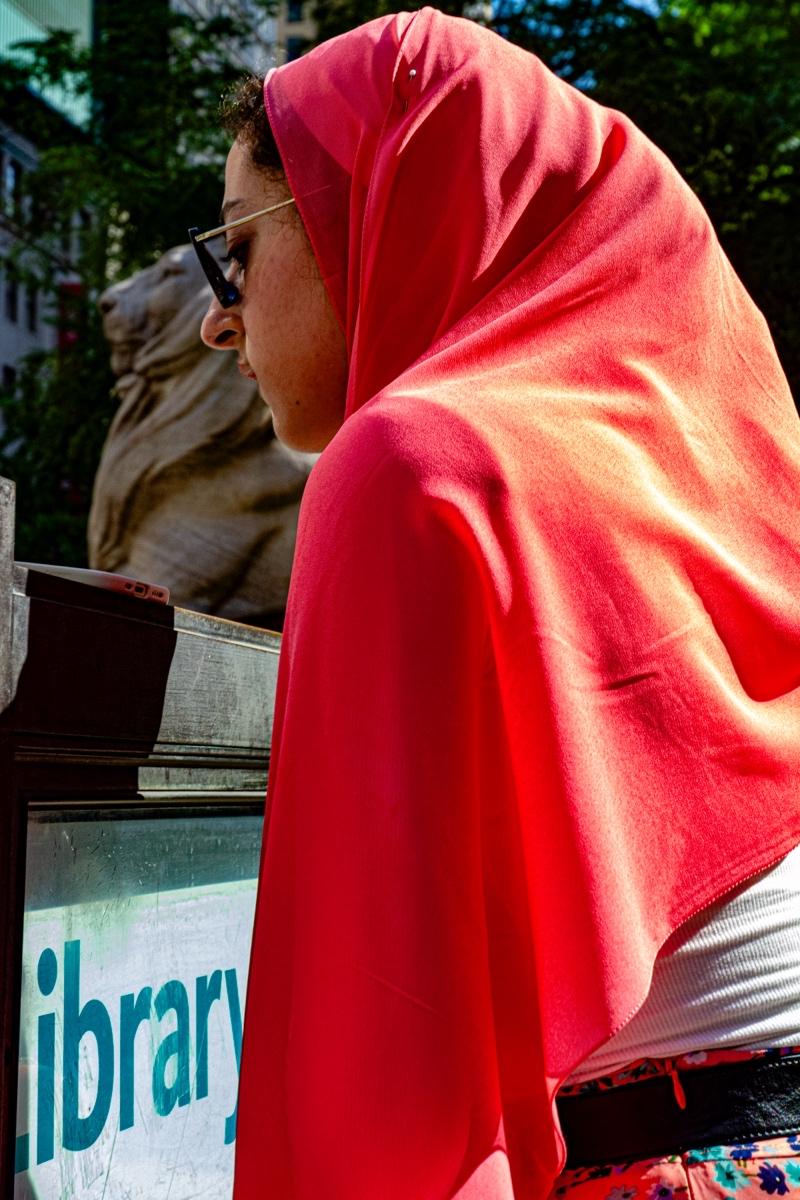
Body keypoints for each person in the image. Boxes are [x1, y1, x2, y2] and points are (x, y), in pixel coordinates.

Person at [194, 9, 800, 1199]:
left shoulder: (417, 462)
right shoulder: (698, 454)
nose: (220, 317)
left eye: (234, 249)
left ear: (361, 214)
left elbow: (383, 1051)